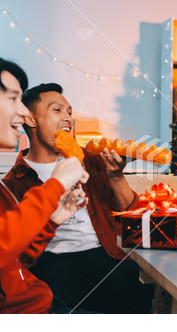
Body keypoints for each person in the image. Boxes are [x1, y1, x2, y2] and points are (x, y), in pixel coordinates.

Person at [2, 83, 154, 313]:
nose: (67, 118)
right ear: (31, 120)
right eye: (57, 110)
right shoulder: (12, 183)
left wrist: (115, 175)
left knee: (139, 291)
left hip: (106, 254)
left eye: (69, 112)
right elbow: (17, 249)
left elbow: (129, 212)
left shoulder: (93, 162)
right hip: (53, 262)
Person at [0, 58, 89, 313]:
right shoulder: (12, 183)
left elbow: (14, 261)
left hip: (43, 304)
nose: (23, 111)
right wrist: (54, 186)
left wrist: (52, 221)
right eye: (13, 99)